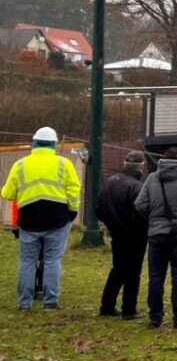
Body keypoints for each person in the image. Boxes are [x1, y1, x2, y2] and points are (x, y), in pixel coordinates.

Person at [1, 126, 81, 310]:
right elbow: (74, 190)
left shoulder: (20, 164)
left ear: (34, 143)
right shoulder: (64, 164)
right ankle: (50, 301)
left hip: (29, 219)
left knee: (27, 261)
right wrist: (72, 211)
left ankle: (24, 303)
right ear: (53, 144)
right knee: (52, 259)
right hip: (58, 219)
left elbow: (8, 193)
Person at [135, 145, 177, 329]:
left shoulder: (152, 177)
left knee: (156, 277)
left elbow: (140, 204)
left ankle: (155, 318)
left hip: (157, 234)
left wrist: (154, 219)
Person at [97, 151, 150, 319]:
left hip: (115, 232)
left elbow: (98, 208)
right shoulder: (136, 187)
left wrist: (110, 224)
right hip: (134, 234)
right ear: (141, 166)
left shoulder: (110, 182)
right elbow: (140, 211)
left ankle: (107, 305)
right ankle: (129, 309)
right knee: (133, 272)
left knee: (118, 268)